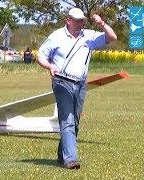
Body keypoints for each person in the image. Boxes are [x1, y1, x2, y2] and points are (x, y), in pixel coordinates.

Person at [36, 8, 117, 169]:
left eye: (83, 20)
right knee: (67, 120)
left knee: (76, 122)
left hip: (80, 83)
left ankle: (62, 154)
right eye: (78, 20)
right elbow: (40, 55)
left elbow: (112, 37)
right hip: (61, 82)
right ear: (68, 20)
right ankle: (71, 159)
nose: (81, 23)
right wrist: (49, 66)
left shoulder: (89, 35)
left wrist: (101, 23)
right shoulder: (56, 36)